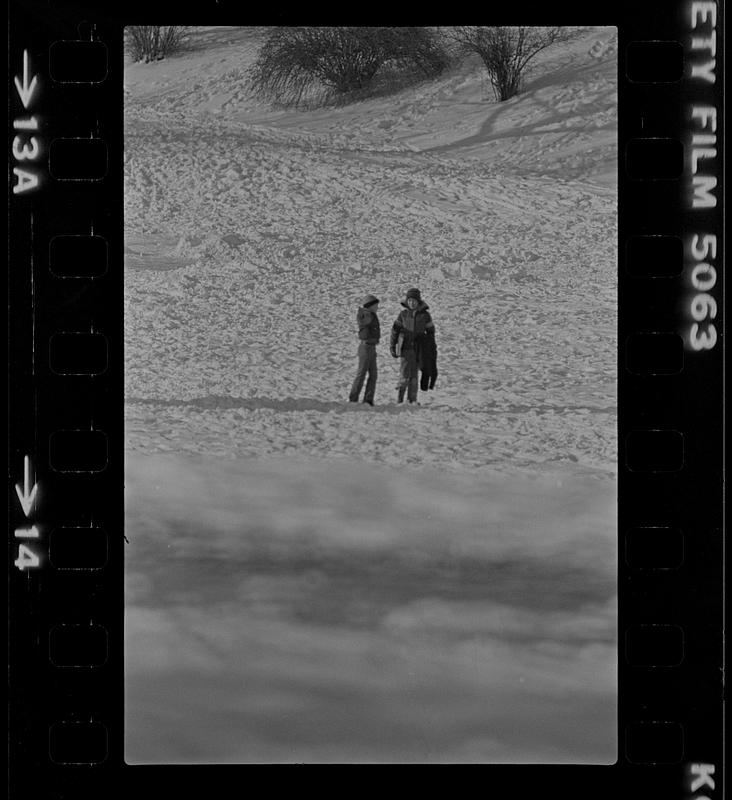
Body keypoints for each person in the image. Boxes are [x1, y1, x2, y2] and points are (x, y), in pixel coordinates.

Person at [390, 287, 435, 404]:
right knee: (404, 374)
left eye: (414, 300)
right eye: (409, 300)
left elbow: (431, 333)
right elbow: (395, 331)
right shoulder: (403, 315)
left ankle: (412, 400)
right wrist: (392, 346)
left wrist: (430, 348)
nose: (411, 303)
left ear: (418, 301)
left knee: (414, 376)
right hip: (405, 349)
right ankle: (399, 400)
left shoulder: (425, 316)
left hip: (418, 351)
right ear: (407, 301)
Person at [348, 294, 380, 406]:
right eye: (376, 305)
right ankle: (353, 398)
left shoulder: (371, 314)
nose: (377, 307)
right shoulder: (365, 314)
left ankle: (368, 399)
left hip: (371, 347)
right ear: (370, 305)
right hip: (365, 347)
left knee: (373, 374)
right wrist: (367, 312)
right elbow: (364, 321)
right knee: (361, 373)